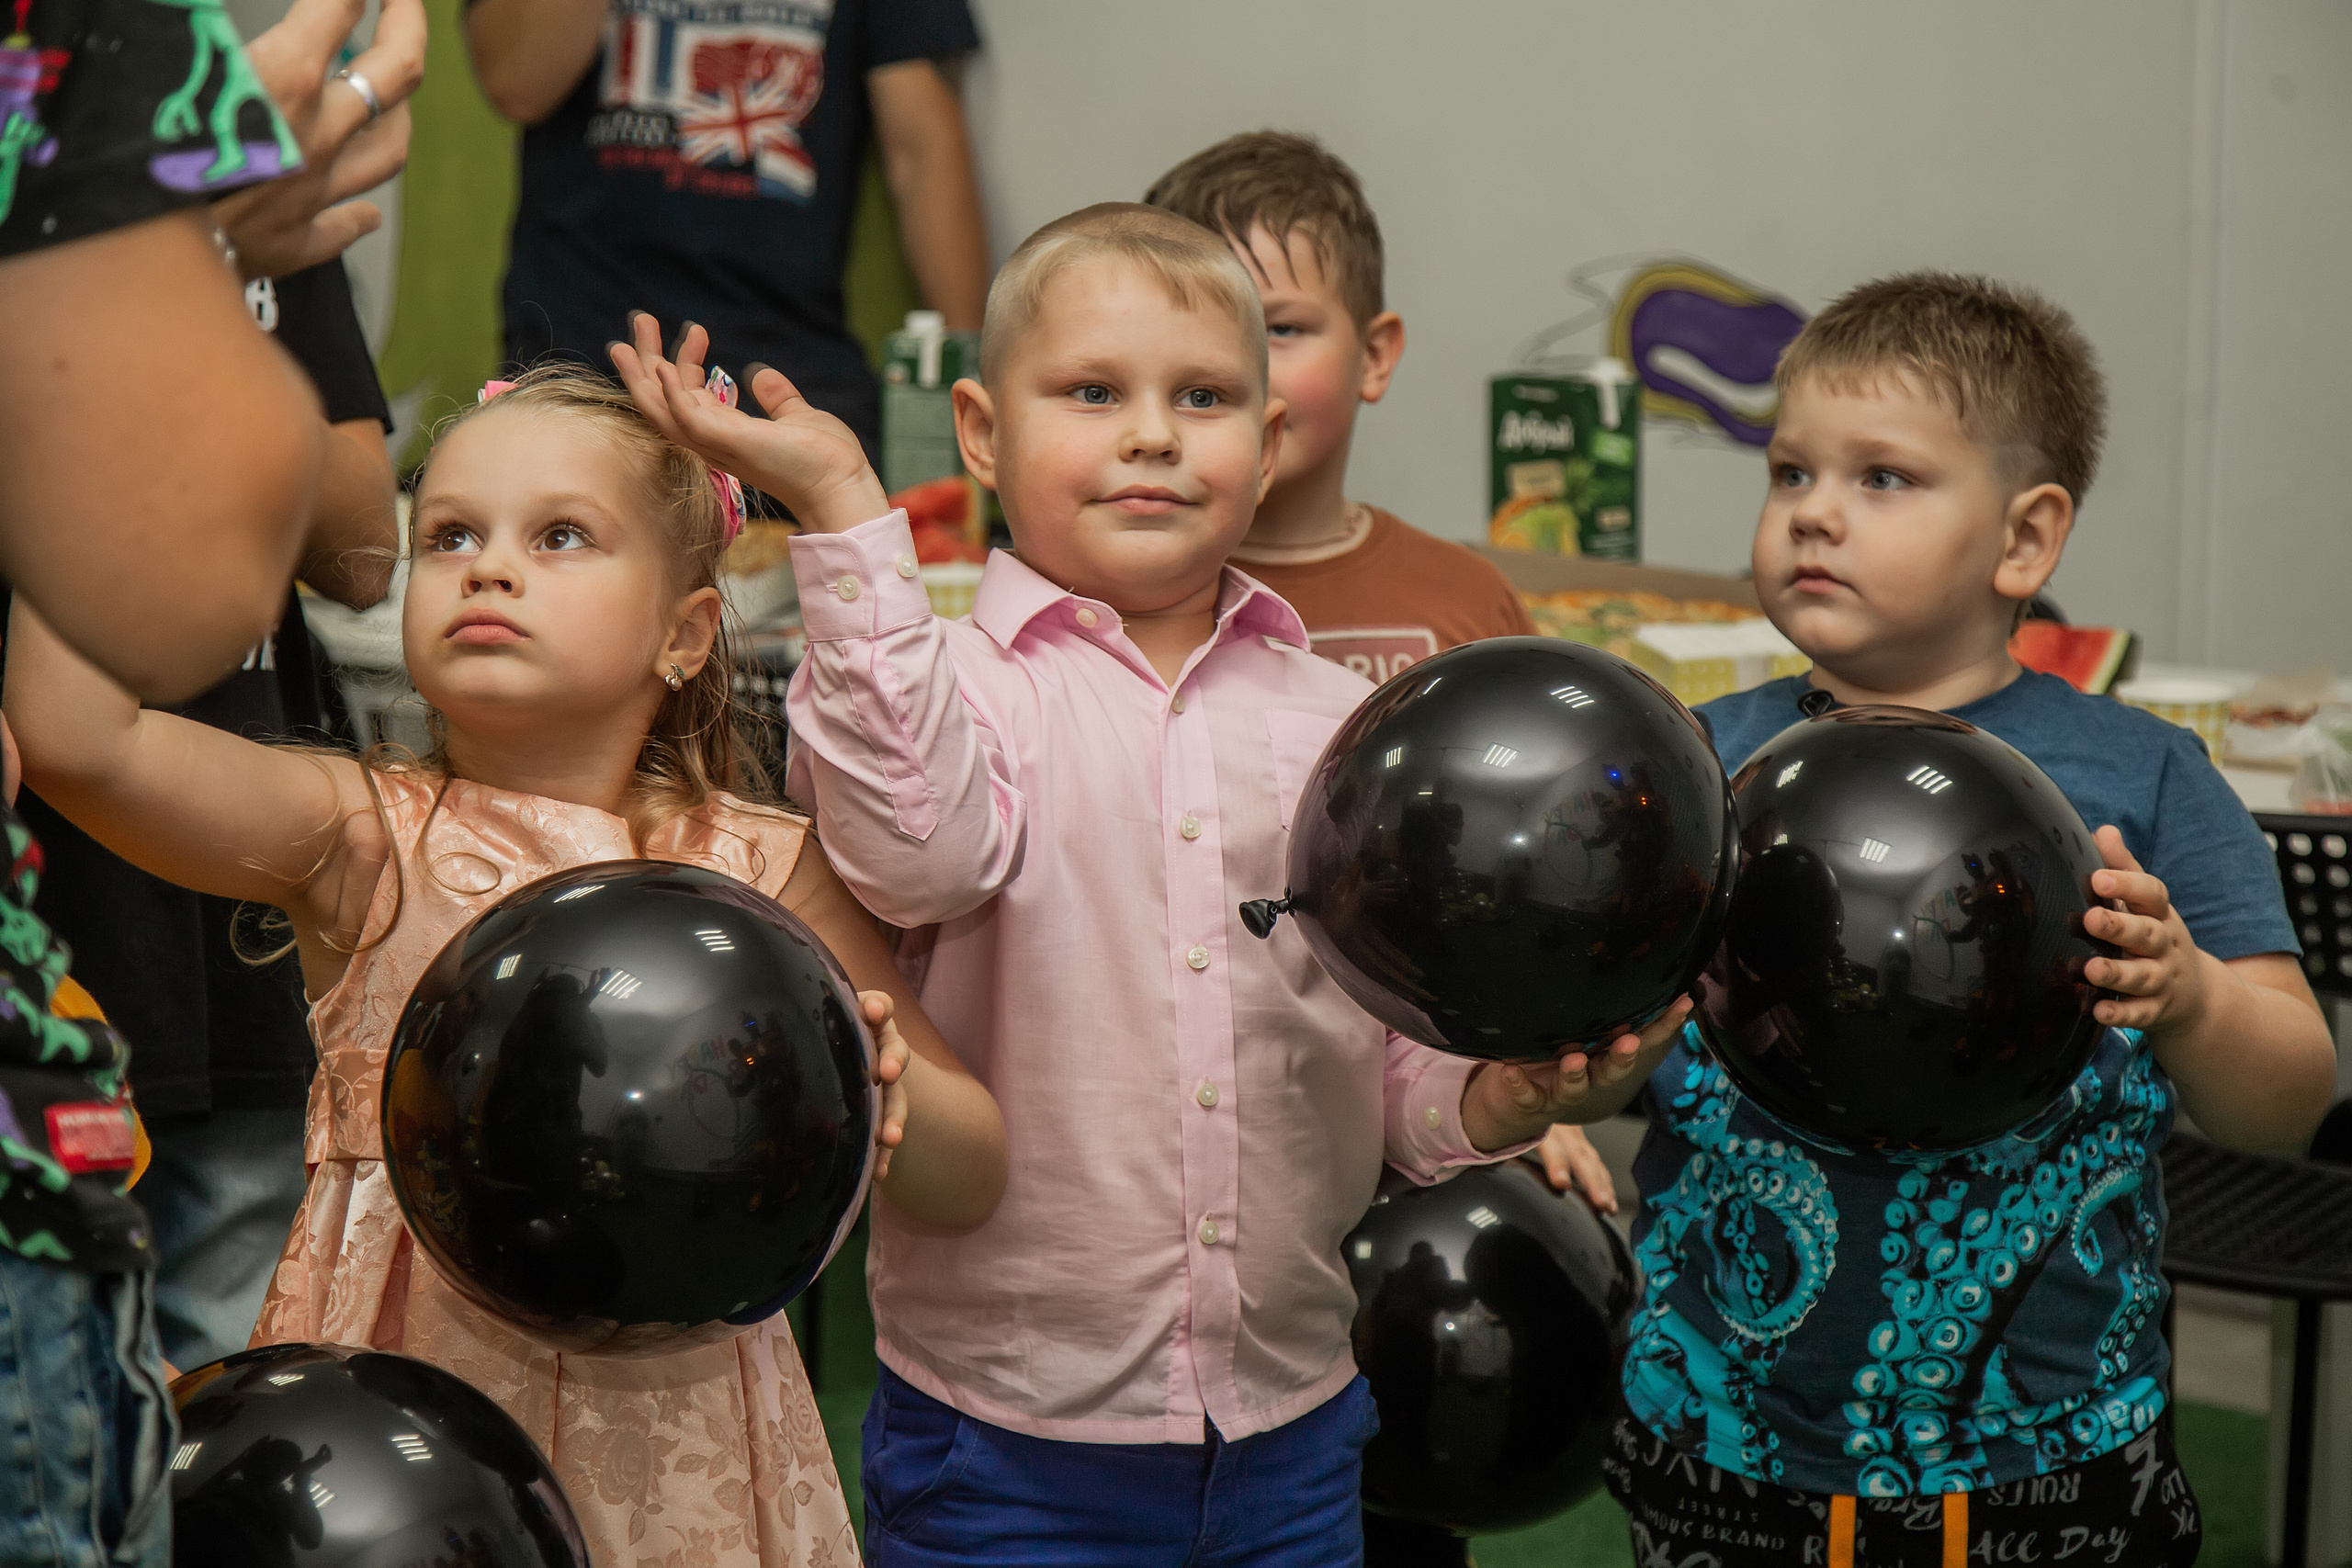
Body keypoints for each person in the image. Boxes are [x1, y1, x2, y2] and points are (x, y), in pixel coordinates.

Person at [610, 202, 1690, 1566]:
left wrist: (1494, 1094)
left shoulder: (1337, 724)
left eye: (1204, 396)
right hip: (1004, 1438)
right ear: (984, 432)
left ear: (1267, 439)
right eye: (1093, 392)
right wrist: (841, 510)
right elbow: (917, 850)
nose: (1153, 432)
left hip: (1291, 1429)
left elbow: (1373, 1067)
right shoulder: (948, 691)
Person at [5, 365, 1010, 1568]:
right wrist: (93, 453)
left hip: (673, 1453)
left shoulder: (763, 873)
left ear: (684, 634)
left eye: (562, 535)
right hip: (399, 1447)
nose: (488, 564)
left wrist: (879, 1093)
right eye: (450, 534)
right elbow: (75, 741)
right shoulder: (360, 831)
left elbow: (969, 1174)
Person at [1609, 273, 2335, 1567]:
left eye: (1883, 477)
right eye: (1789, 472)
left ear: (2026, 538)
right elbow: (1586, 1062)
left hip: (2049, 1457)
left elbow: (2282, 1102)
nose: (1814, 511)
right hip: (1719, 1444)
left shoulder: (2144, 775)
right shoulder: (1701, 765)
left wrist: (2192, 994)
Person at [0, 2, 420, 1561]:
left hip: (207, 911)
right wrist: (158, 260)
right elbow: (187, 555)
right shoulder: (128, 137)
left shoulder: (173, 129)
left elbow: (359, 531)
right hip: (55, 930)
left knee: (213, 1400)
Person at [1142, 130, 1619, 1221]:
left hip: (1437, 1104)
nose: (1246, 369)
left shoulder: (1459, 600)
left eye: (1282, 329)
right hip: (1205, 1129)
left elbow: (1539, 881)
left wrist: (1551, 1093)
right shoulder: (1129, 604)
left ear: (1375, 351)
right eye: (1205, 337)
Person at [18, 254, 398, 1371]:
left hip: (227, 897)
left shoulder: (249, 168)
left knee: (231, 1375)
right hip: (40, 906)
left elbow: (364, 552)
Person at [464, 0, 989, 458]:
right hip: (580, 366)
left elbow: (923, 151)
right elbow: (517, 83)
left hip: (788, 375)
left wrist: (970, 386)